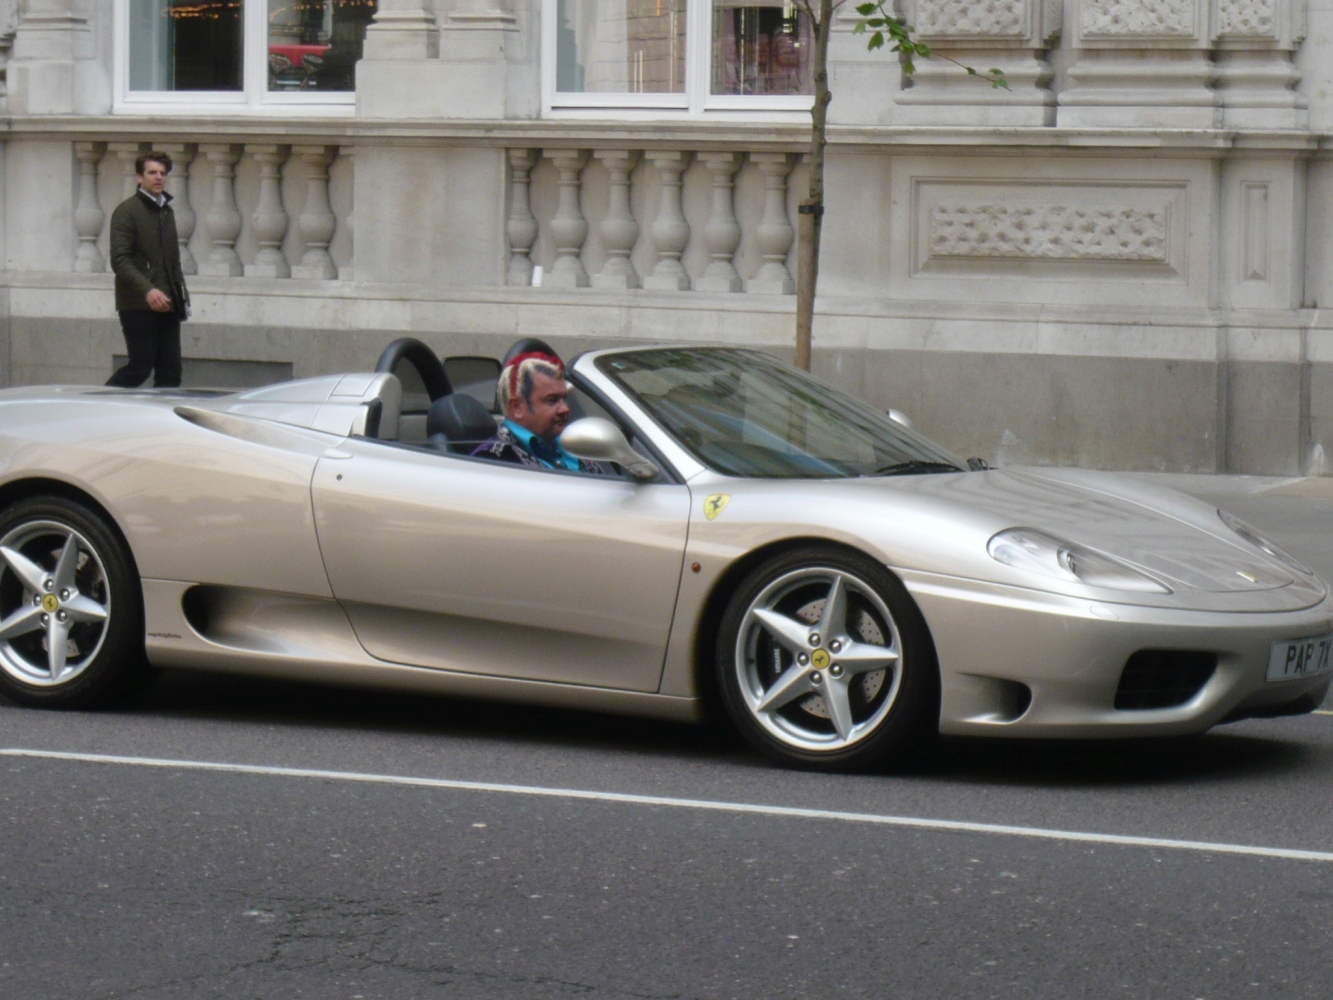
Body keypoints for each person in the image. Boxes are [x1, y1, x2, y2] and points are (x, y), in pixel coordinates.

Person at [106, 151, 189, 389]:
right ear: (139, 177)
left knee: (171, 372)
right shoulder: (126, 211)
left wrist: (182, 297)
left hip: (168, 303)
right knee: (140, 367)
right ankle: (100, 401)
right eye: (152, 172)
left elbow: (173, 261)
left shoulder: (167, 212)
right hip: (137, 304)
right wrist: (148, 291)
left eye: (162, 173)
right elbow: (120, 260)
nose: (158, 177)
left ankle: (163, 413)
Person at [471, 351, 605, 473]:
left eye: (564, 398)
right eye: (552, 400)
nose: (565, 409)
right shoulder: (492, 460)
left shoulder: (570, 444)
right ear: (517, 407)